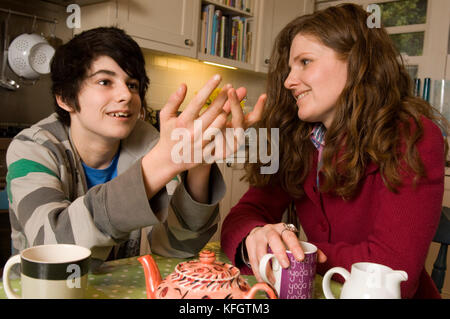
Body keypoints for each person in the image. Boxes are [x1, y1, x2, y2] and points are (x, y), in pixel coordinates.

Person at [221, 4, 447, 299]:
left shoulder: (415, 137)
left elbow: (392, 271)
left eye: (305, 61)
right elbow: (242, 216)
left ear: (357, 62)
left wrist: (292, 251)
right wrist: (256, 236)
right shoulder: (293, 140)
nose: (289, 81)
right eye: (290, 67)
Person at [6, 27, 265, 269]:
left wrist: (199, 163)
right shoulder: (31, 148)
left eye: (132, 85)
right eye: (105, 82)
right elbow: (52, 248)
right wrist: (161, 164)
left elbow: (176, 247)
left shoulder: (146, 141)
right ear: (64, 98)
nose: (127, 95)